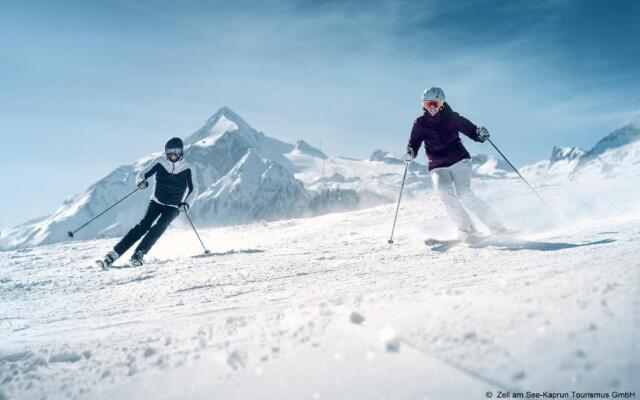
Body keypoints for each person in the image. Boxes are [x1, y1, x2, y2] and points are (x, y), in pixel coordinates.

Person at [405, 87, 509, 242]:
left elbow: (471, 131)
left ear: (441, 103)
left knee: (464, 194)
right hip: (437, 165)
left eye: (435, 103)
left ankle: (497, 226)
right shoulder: (420, 123)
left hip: (459, 161)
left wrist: (480, 135)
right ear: (423, 105)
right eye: (428, 104)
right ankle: (467, 229)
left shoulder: (452, 118)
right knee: (443, 191)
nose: (432, 107)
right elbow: (414, 142)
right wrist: (410, 152)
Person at [99, 137, 197, 268]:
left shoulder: (188, 167)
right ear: (166, 152)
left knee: (160, 226)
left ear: (182, 152)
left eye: (177, 151)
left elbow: (194, 188)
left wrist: (187, 203)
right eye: (170, 151)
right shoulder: (160, 161)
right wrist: (141, 182)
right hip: (156, 201)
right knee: (143, 226)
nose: (173, 154)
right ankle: (113, 254)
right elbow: (142, 174)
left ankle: (138, 254)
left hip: (174, 205)